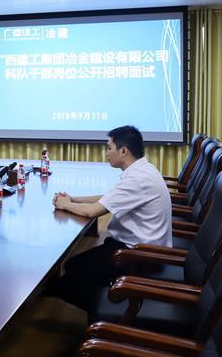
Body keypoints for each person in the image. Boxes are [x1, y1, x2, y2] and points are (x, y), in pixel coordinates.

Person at [50, 125, 172, 312]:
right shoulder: (142, 170)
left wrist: (65, 205)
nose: (106, 153)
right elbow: (109, 198)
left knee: (69, 284)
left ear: (123, 151)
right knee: (73, 265)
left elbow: (92, 212)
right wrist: (74, 199)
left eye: (109, 148)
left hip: (137, 256)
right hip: (136, 247)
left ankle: (110, 311)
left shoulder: (137, 179)